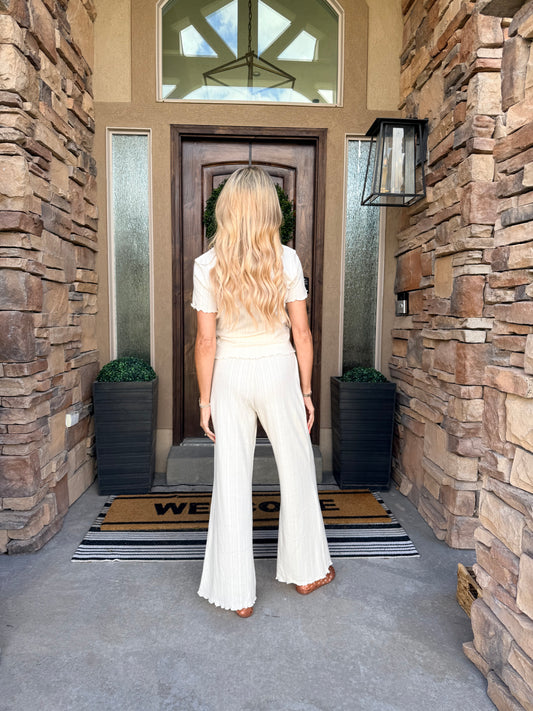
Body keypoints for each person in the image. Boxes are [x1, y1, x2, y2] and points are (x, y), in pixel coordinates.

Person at [191, 166, 335, 618]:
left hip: (230, 372)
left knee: (231, 477)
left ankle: (237, 595)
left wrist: (205, 401)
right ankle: (306, 571)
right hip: (277, 368)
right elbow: (302, 333)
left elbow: (206, 342)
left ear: (227, 210)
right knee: (296, 469)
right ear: (271, 211)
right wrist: (306, 391)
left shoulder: (207, 265)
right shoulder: (287, 260)